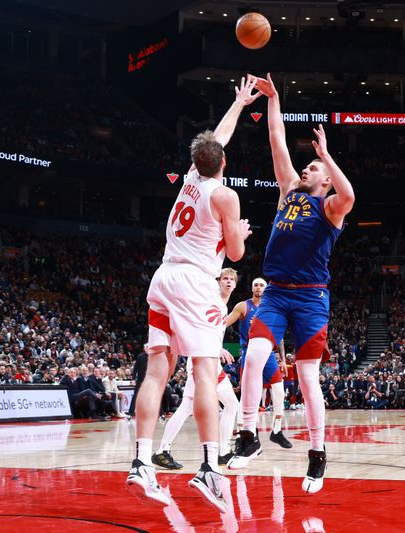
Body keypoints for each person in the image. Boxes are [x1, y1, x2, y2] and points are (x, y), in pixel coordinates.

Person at [126, 76, 258, 513]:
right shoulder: (226, 195)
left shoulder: (190, 179)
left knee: (156, 373)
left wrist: (238, 104)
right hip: (194, 283)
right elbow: (234, 256)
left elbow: (215, 141)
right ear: (224, 163)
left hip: (162, 277)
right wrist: (236, 232)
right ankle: (208, 469)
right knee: (204, 373)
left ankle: (142, 461)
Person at [228, 73, 354, 498]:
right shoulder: (289, 192)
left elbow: (351, 194)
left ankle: (318, 453)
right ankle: (248, 434)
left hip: (312, 299)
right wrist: (276, 98)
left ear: (326, 181)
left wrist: (327, 156)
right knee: (253, 358)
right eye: (309, 164)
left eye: (313, 168)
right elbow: (277, 139)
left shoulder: (332, 206)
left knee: (307, 379)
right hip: (278, 294)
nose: (306, 167)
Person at [151, 268, 241, 470]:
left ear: (235, 284)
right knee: (188, 407)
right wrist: (218, 349)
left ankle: (223, 451)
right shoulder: (210, 301)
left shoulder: (224, 307)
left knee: (231, 405)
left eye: (231, 279)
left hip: (210, 360)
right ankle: (162, 451)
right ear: (218, 282)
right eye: (224, 278)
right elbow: (197, 329)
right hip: (201, 359)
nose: (228, 281)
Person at [225, 277, 292, 449]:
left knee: (279, 391)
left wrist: (283, 359)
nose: (259, 287)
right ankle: (244, 434)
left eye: (262, 285)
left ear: (266, 288)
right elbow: (223, 323)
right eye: (256, 285)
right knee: (248, 394)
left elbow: (280, 336)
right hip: (249, 351)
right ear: (252, 288)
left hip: (269, 353)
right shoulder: (243, 306)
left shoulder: (272, 308)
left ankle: (276, 431)